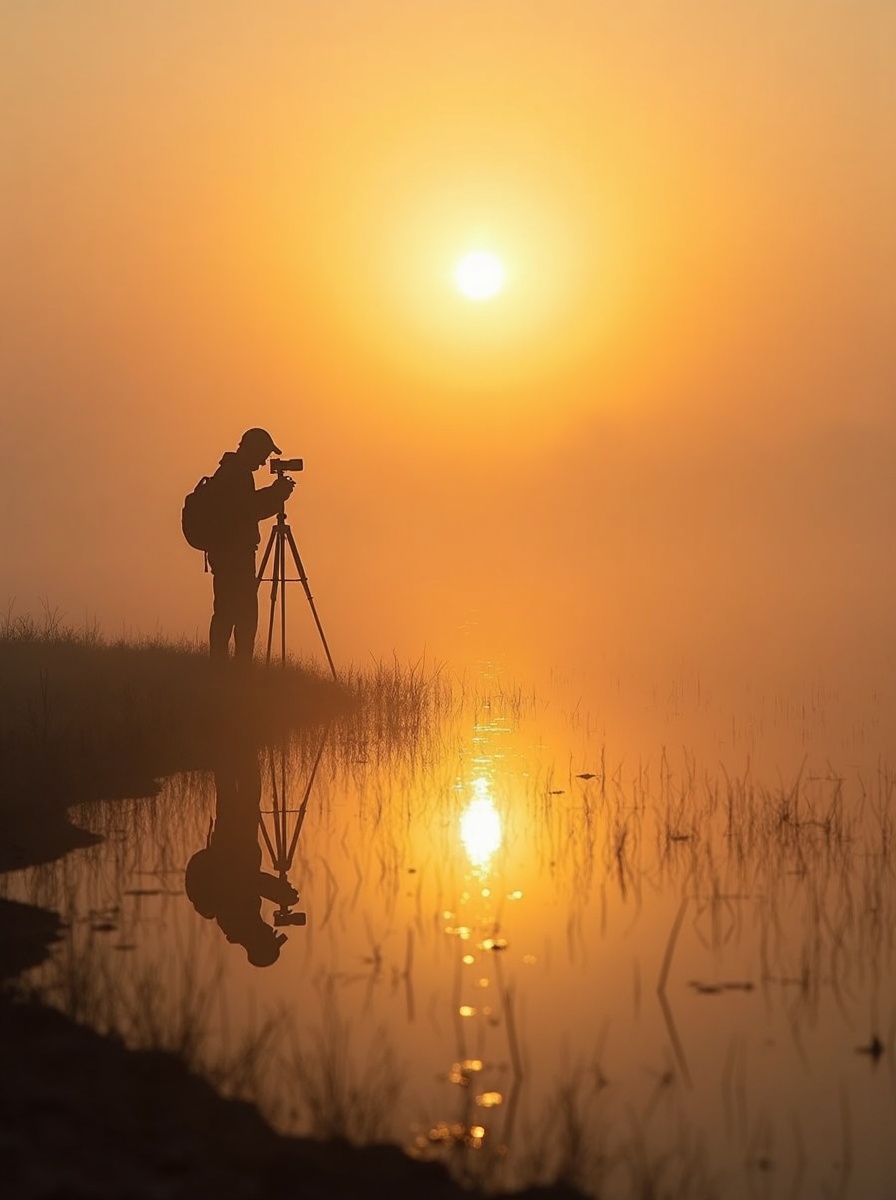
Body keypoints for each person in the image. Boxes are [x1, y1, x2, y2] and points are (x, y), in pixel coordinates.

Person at [206, 427, 295, 664]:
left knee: (227, 611)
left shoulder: (233, 470)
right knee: (240, 613)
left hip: (229, 553)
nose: (265, 461)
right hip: (234, 555)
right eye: (263, 454)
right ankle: (236, 668)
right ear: (253, 449)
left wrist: (273, 495)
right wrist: (276, 495)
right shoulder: (236, 473)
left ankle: (223, 667)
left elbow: (245, 507)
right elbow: (246, 511)